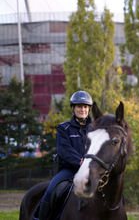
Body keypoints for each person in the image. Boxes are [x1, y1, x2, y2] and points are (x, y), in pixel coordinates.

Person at [38, 91, 93, 220]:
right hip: (69, 170)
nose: (83, 109)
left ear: (89, 108)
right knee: (51, 190)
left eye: (85, 106)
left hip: (92, 171)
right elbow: (64, 150)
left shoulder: (95, 129)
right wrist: (80, 161)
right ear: (73, 108)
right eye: (79, 106)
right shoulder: (64, 128)